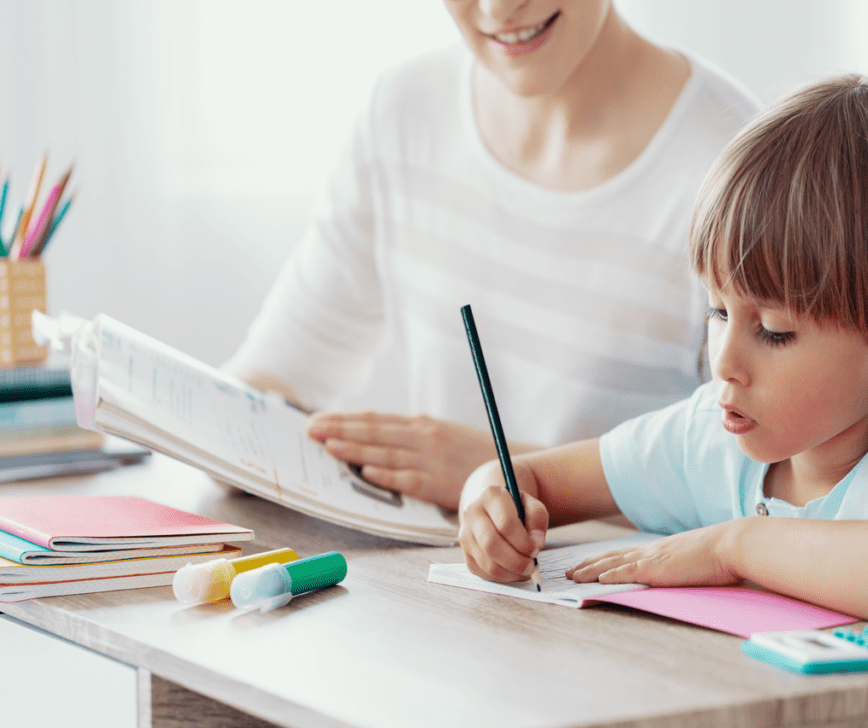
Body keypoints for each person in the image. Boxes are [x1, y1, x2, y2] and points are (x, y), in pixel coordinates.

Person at [457, 74, 868, 625]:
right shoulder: (706, 440)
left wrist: (735, 546)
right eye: (719, 311)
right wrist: (488, 505)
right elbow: (530, 480)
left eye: (773, 330)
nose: (722, 363)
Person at [223, 1, 759, 510]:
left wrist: (506, 470)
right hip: (440, 580)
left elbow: (764, 484)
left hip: (618, 596)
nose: (499, 11)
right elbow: (279, 374)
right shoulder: (403, 112)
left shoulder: (738, 168)